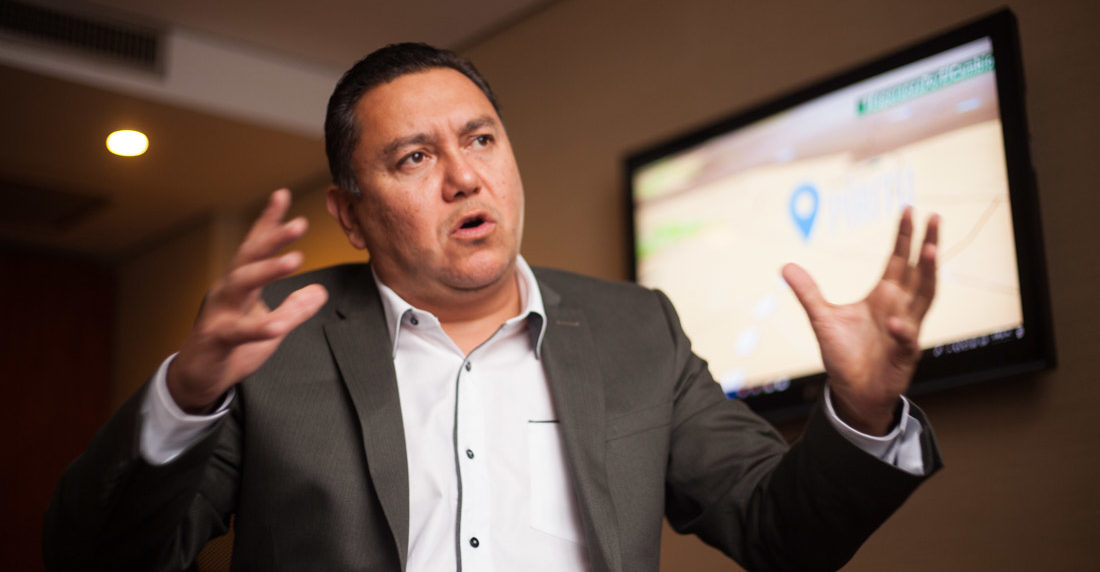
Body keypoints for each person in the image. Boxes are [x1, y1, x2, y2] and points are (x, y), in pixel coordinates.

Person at [44, 43, 942, 572]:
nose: (465, 177)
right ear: (350, 216)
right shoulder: (278, 336)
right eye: (414, 158)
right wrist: (184, 399)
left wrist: (864, 411)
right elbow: (102, 559)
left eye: (480, 139)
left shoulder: (638, 329)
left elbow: (782, 533)